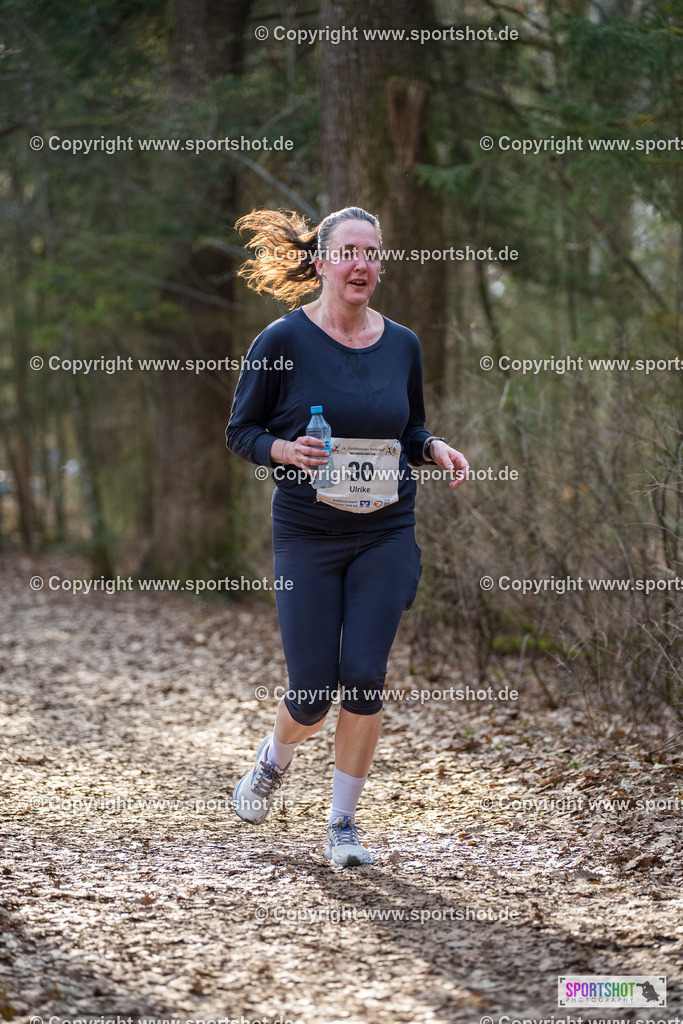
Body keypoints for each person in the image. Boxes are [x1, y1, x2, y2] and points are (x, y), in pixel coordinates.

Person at [226, 206, 469, 867]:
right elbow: (240, 431)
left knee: (363, 676)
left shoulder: (403, 345)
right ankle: (273, 760)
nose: (361, 263)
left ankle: (342, 825)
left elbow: (408, 429)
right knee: (311, 691)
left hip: (386, 529)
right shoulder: (281, 340)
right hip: (307, 533)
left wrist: (434, 447)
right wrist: (283, 450)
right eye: (348, 252)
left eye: (371, 253)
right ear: (322, 262)